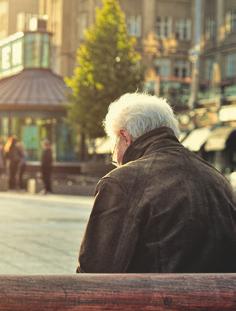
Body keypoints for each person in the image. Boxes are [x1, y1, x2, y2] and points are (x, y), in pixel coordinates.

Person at [77, 93, 236, 273]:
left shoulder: (121, 182)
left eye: (114, 146)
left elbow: (95, 271)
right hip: (220, 300)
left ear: (125, 137)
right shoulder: (218, 179)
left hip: (153, 299)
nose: (115, 157)